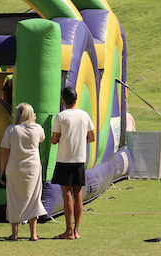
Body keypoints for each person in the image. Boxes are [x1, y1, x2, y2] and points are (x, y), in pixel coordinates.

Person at [50, 86, 95, 240]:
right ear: (76, 99)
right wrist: (80, 141)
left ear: (63, 100)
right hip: (79, 159)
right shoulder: (84, 115)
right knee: (78, 193)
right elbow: (92, 137)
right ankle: (76, 230)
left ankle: (69, 231)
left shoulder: (60, 117)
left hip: (64, 159)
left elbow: (54, 140)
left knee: (67, 194)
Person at [0, 102, 46, 241]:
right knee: (33, 198)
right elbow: (42, 138)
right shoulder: (37, 128)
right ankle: (33, 234)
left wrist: (2, 171)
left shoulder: (11, 130)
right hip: (33, 168)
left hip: (14, 167)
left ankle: (14, 234)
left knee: (13, 198)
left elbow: (5, 152)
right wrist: (34, 122)